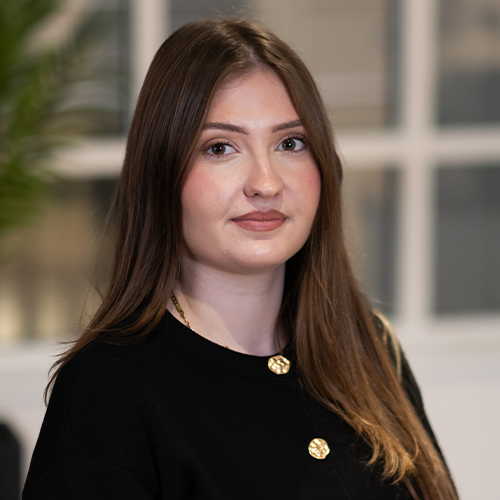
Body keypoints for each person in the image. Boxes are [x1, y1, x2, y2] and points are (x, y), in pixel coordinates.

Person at [23, 18, 458, 500]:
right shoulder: (107, 390)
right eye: (220, 148)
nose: (266, 183)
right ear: (161, 172)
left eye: (290, 143)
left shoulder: (369, 345)